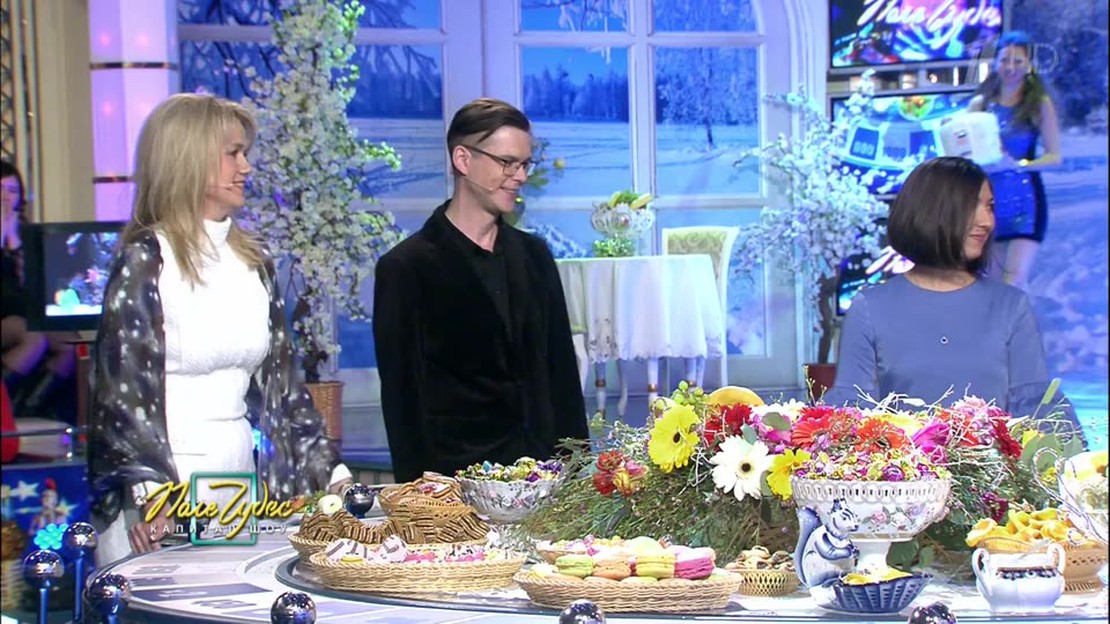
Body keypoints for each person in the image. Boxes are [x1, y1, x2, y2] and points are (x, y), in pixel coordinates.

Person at [89, 94, 352, 565]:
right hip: (157, 500)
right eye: (233, 153)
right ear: (189, 160)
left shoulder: (252, 262)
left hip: (235, 484)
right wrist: (153, 495)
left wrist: (333, 474)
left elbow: (283, 388)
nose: (246, 167)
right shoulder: (145, 261)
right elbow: (122, 396)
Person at [373, 98, 588, 482]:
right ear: (463, 159)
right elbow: (403, 403)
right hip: (455, 485)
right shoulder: (406, 269)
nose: (519, 176)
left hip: (544, 481)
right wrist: (420, 497)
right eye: (507, 162)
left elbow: (563, 380)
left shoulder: (535, 256)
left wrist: (578, 477)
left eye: (524, 164)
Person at [824, 157, 1076, 426]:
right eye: (971, 206)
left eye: (990, 207)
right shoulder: (870, 308)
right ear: (930, 213)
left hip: (995, 454)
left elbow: (1037, 409)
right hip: (900, 454)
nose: (987, 221)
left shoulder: (1011, 306)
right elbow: (853, 415)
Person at [968, 30, 1062, 290]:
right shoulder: (979, 104)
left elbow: (1055, 156)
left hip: (1026, 202)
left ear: (1029, 64)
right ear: (995, 62)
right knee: (990, 285)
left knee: (1014, 281)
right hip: (988, 203)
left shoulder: (1038, 104)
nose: (1010, 67)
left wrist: (1020, 165)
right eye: (1005, 60)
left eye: (1018, 61)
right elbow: (966, 153)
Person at [1, 160, 77, 421]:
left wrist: (16, 243)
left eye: (12, 190)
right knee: (33, 339)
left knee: (70, 343)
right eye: (0, 189)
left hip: (24, 312)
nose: (5, 197)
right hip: (6, 317)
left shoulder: (25, 232)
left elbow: (32, 287)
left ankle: (29, 406)